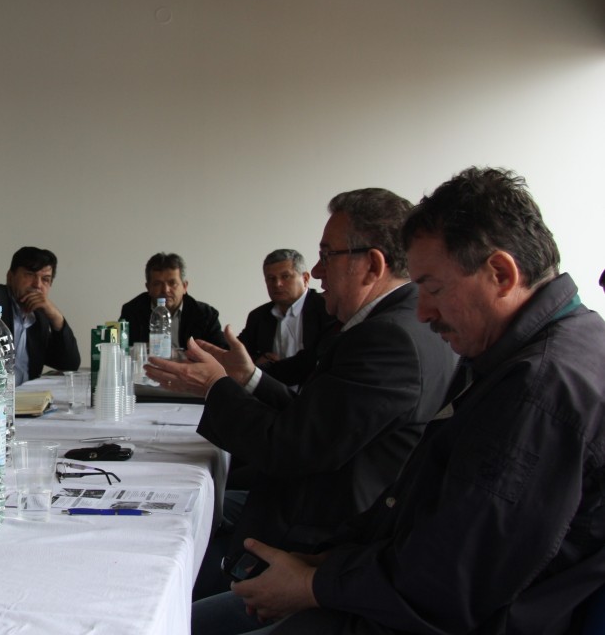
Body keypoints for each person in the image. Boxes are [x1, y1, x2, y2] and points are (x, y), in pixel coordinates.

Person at [191, 167, 605, 634]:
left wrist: (314, 584)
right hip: (373, 579)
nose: (423, 311)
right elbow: (433, 521)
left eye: (432, 288)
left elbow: (450, 582)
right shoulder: (543, 349)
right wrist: (325, 564)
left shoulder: (539, 390)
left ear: (501, 274)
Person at [146, 188, 455, 599]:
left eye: (327, 255)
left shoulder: (388, 338)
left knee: (167, 558)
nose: (319, 271)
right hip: (314, 514)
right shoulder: (394, 322)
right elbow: (315, 421)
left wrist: (215, 385)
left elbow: (291, 447)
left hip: (320, 544)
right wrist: (248, 377)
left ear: (372, 265)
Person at [0, 246, 80, 384]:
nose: (37, 284)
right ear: (10, 277)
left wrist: (56, 316)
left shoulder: (39, 318)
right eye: (30, 274)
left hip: (28, 396)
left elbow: (69, 364)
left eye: (45, 279)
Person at [236, 249, 337, 386]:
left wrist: (263, 370)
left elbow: (317, 361)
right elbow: (240, 354)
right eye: (271, 278)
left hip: (315, 391)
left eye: (285, 276)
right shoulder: (258, 316)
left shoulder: (327, 309)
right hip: (268, 394)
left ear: (305, 278)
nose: (277, 284)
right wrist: (257, 361)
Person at [120, 252, 228, 350]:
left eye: (172, 283)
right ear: (148, 287)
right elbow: (121, 349)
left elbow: (221, 352)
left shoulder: (206, 315)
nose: (165, 290)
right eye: (157, 284)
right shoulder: (132, 311)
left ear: (184, 287)